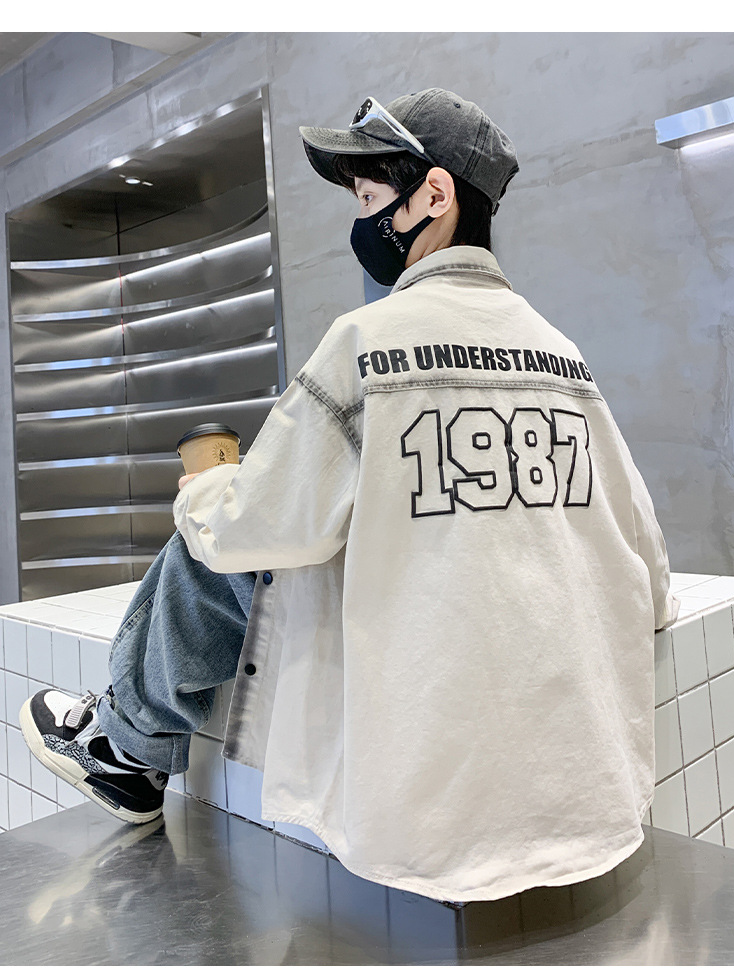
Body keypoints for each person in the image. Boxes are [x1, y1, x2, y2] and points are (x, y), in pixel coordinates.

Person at [20, 88, 680, 903]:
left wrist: (204, 492)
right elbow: (651, 576)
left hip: (423, 821)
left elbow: (254, 527)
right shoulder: (563, 356)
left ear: (433, 196)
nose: (361, 222)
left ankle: (124, 748)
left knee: (206, 545)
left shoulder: (367, 344)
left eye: (369, 200)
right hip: (595, 808)